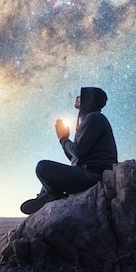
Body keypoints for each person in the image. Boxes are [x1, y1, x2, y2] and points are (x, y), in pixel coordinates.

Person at [20, 87, 118, 215]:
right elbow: (76, 158)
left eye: (81, 96)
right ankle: (49, 194)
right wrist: (63, 140)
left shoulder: (95, 118)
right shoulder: (90, 119)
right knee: (49, 171)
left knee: (42, 167)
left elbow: (78, 152)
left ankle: (51, 194)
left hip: (94, 176)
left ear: (89, 100)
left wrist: (63, 139)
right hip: (86, 172)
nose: (77, 97)